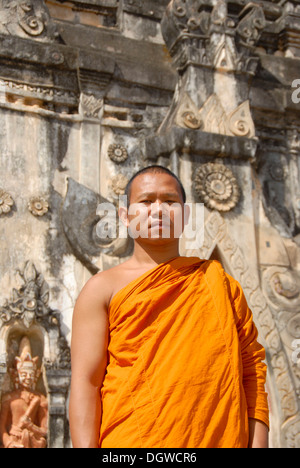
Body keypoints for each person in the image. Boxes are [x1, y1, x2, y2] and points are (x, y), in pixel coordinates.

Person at [69, 165, 269, 448]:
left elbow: (252, 371)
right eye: (146, 201)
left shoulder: (220, 284)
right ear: (125, 216)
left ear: (185, 215)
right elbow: (86, 383)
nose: (158, 210)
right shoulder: (102, 289)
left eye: (170, 202)